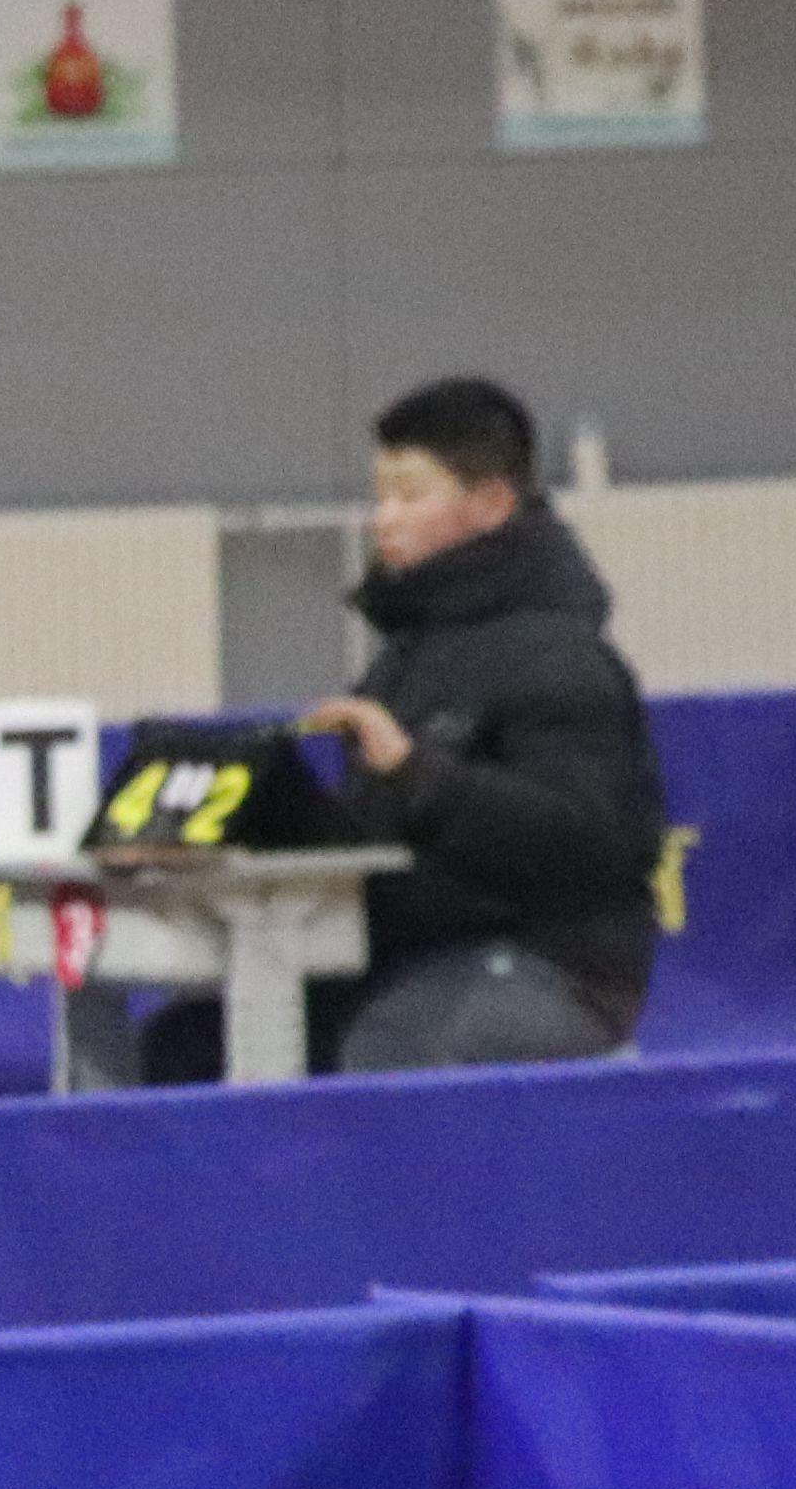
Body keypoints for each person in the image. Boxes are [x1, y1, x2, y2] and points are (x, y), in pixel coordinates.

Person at [139, 377, 664, 1081]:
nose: (383, 520)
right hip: (403, 954)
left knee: (391, 1048)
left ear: (491, 505)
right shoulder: (406, 658)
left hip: (555, 965)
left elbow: (593, 841)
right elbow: (375, 841)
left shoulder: (561, 658)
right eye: (380, 496)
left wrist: (417, 773)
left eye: (411, 496)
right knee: (183, 1046)